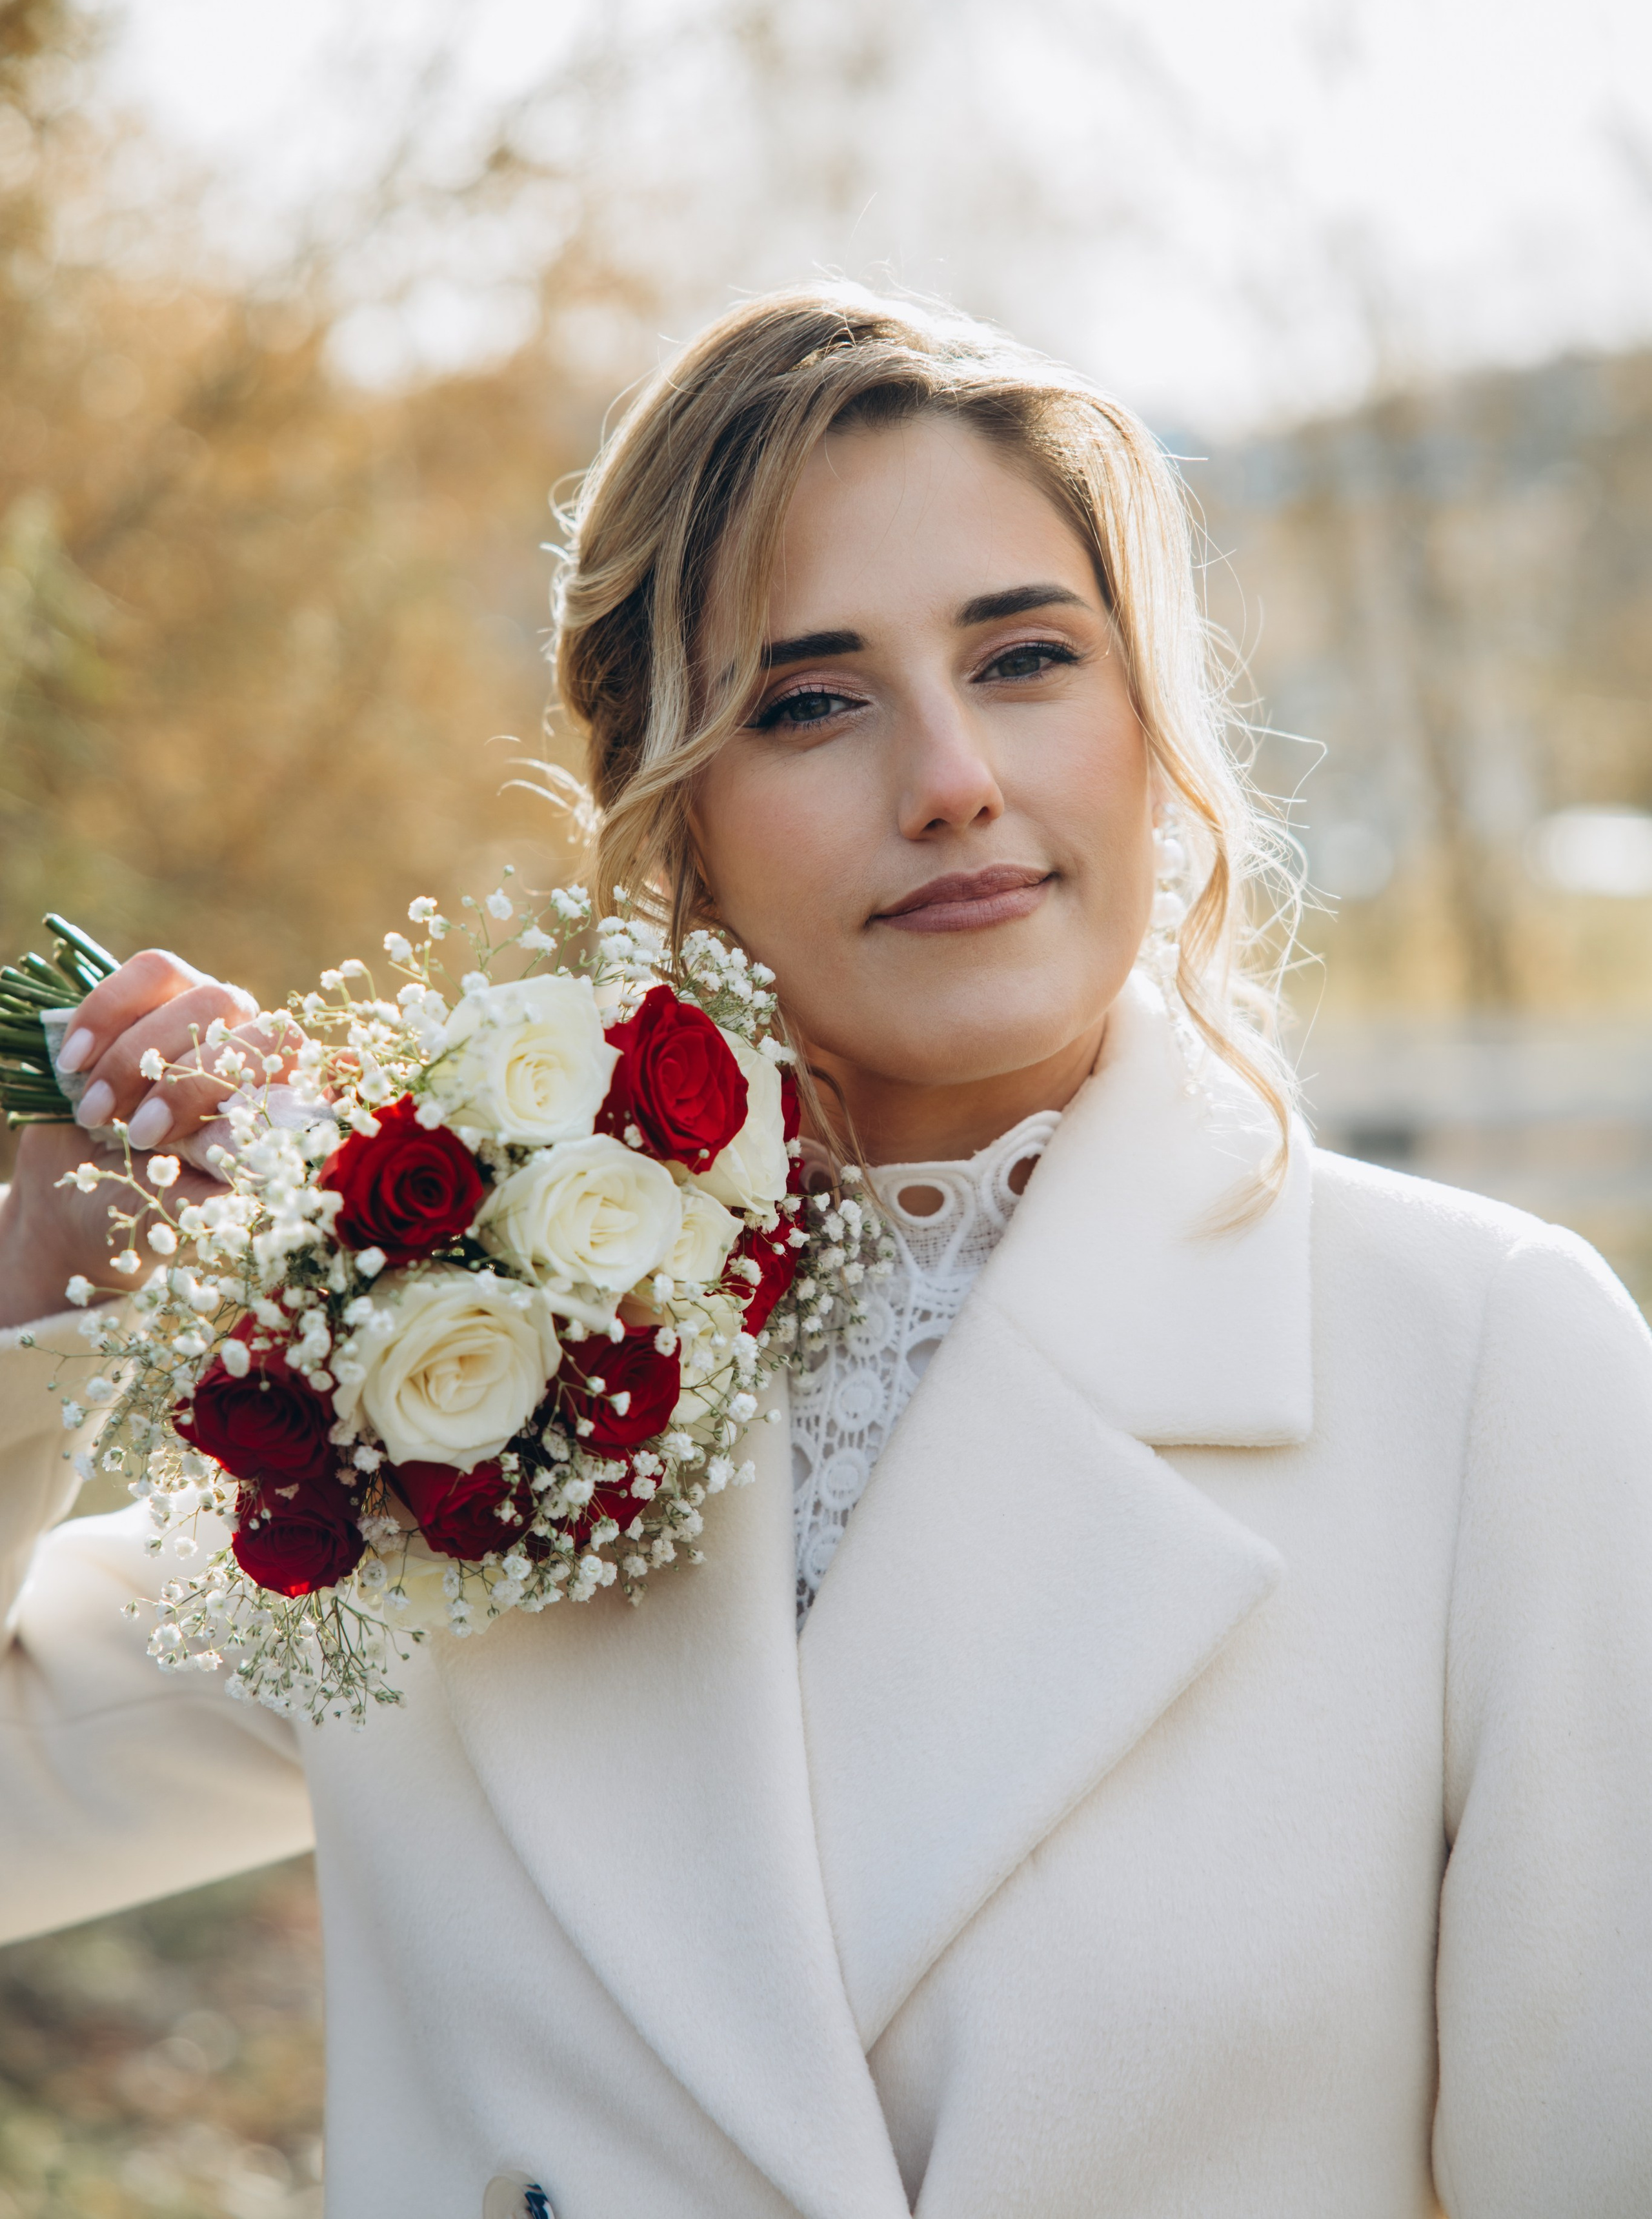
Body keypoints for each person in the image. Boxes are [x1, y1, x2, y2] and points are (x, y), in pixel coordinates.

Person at [1, 284, 1649, 2219]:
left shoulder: (1483, 1363)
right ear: (673, 810)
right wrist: (46, 1272)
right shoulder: (431, 1358)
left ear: (1149, 721)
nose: (950, 774)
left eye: (1027, 657)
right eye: (811, 699)